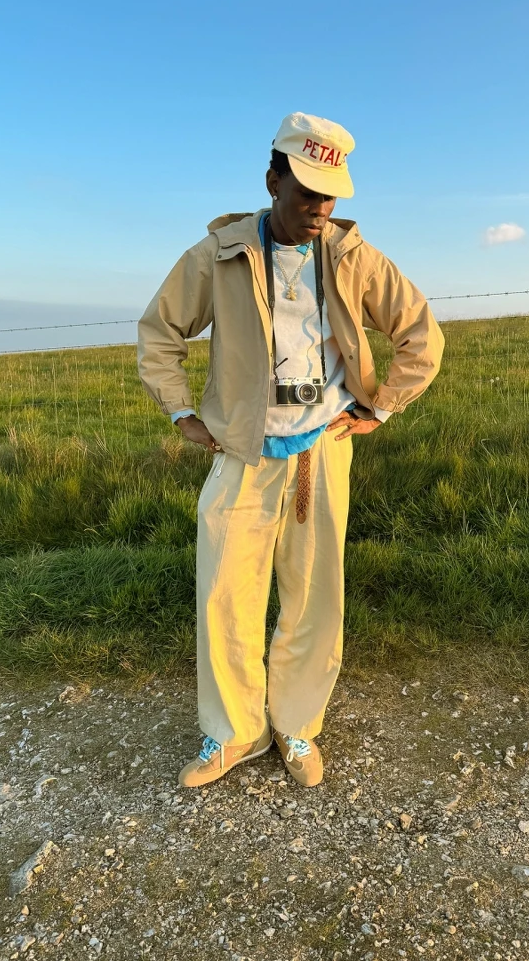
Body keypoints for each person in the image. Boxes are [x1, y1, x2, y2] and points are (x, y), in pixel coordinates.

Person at [138, 112, 444, 788]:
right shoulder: (219, 254)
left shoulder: (354, 256)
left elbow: (421, 334)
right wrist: (183, 411)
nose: (319, 208)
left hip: (323, 449)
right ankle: (234, 733)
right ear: (273, 180)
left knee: (314, 595)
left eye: (330, 195)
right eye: (307, 191)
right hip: (242, 451)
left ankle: (297, 725)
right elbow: (160, 331)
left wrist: (380, 406)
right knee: (224, 593)